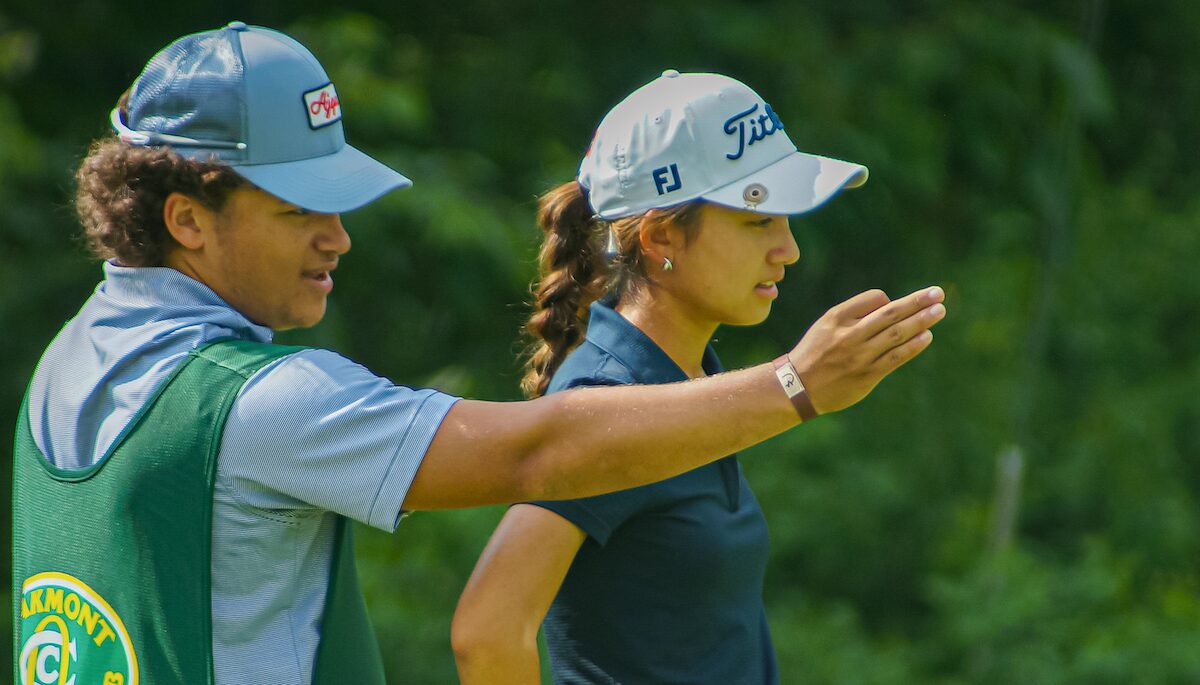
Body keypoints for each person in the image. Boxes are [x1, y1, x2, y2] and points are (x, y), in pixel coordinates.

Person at [12, 23, 945, 685]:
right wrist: (794, 386)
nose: (339, 238)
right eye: (299, 209)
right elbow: (536, 457)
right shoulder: (259, 404)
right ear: (186, 219)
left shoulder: (65, 368)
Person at [451, 70, 921, 684]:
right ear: (661, 235)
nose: (789, 248)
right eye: (758, 220)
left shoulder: (684, 378)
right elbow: (486, 632)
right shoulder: (611, 399)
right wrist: (798, 383)